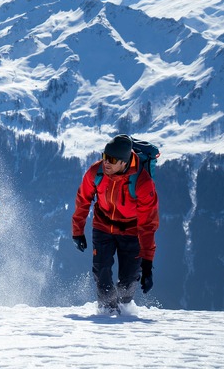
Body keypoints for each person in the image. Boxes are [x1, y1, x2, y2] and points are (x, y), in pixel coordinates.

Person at [71, 134, 159, 313]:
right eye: (104, 156)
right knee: (102, 275)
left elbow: (148, 225)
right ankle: (105, 313)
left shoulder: (142, 183)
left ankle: (124, 313)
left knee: (128, 282)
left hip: (132, 232)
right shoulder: (97, 172)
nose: (106, 162)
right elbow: (83, 199)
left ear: (124, 162)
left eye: (111, 159)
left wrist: (147, 265)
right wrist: (77, 231)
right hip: (103, 227)